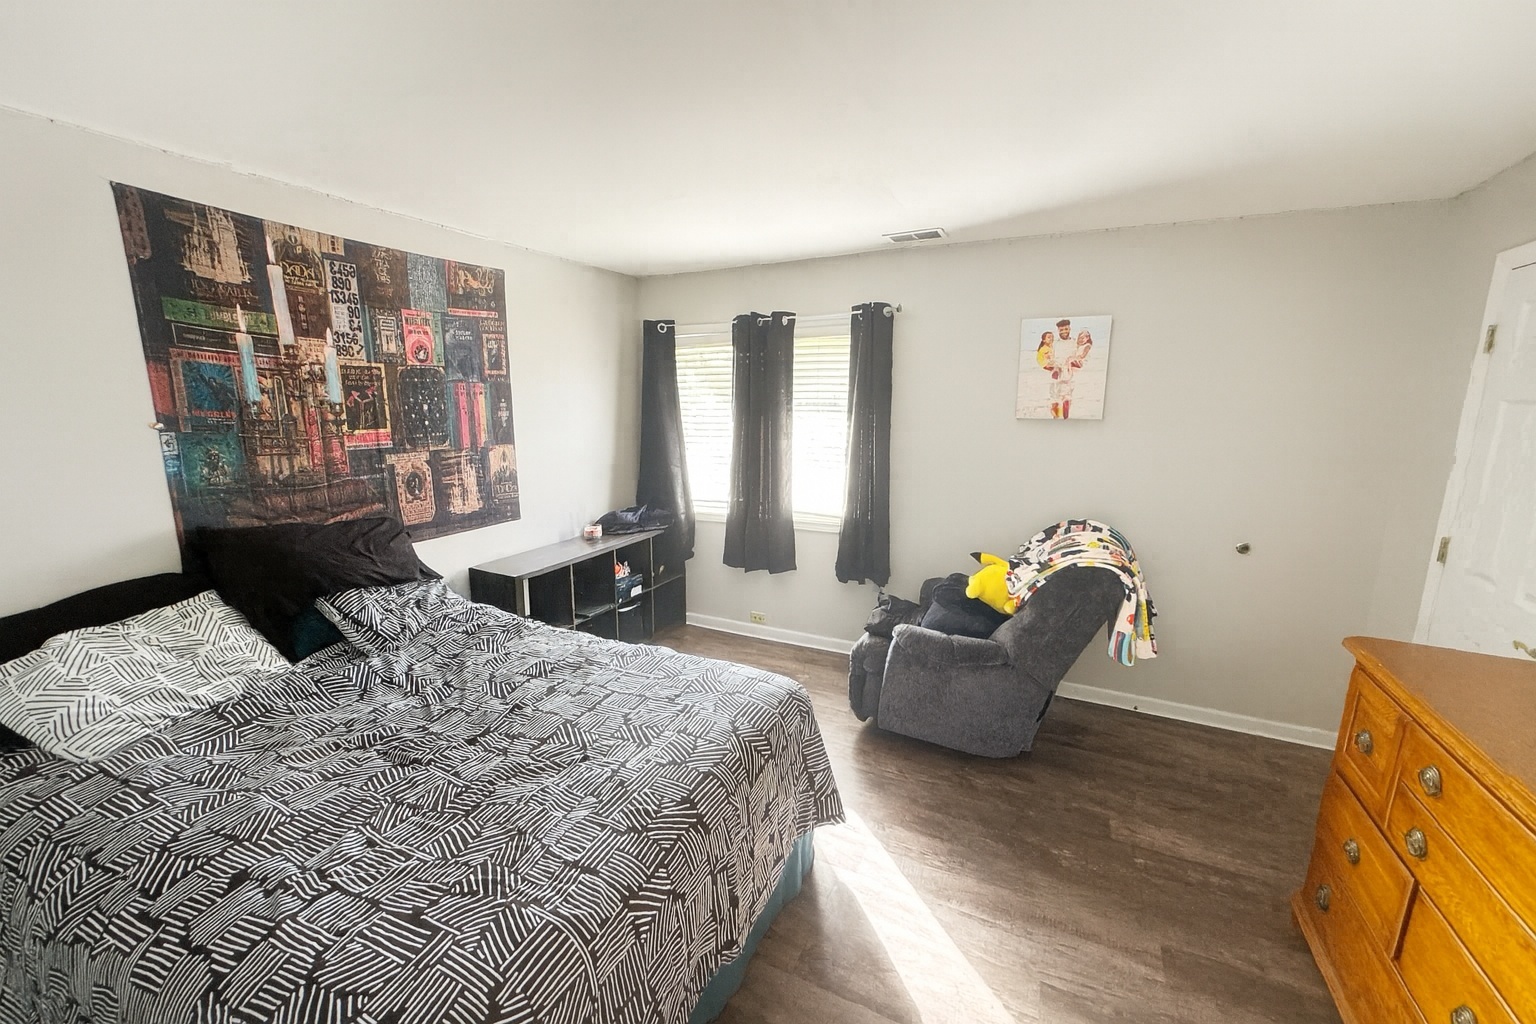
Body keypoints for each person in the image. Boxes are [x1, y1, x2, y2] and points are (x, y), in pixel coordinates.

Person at [1035, 319, 1094, 418]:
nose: (1064, 331)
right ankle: (1056, 418)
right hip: (1055, 376)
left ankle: (1065, 419)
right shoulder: (1054, 344)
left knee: (1067, 398)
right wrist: (1051, 368)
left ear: (1069, 329)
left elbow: (1083, 358)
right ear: (1058, 330)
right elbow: (1044, 357)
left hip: (1069, 376)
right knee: (1054, 399)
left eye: (1066, 329)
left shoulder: (1075, 342)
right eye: (1061, 330)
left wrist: (1073, 366)